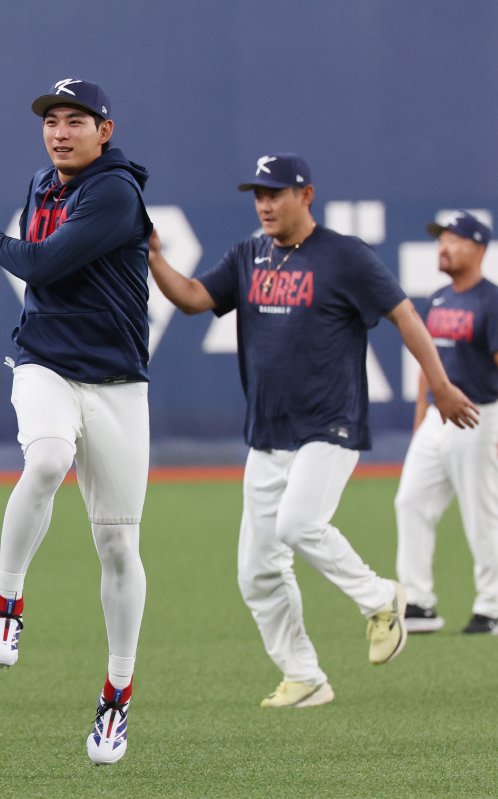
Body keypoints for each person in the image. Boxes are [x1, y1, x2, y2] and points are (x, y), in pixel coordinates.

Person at [148, 152, 477, 709]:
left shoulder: (345, 256)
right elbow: (194, 300)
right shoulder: (250, 254)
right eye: (258, 194)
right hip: (268, 432)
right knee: (256, 572)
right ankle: (304, 676)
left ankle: (381, 599)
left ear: (307, 195)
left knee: (300, 523)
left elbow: (404, 315)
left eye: (276, 193)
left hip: (330, 423)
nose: (265, 203)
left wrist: (440, 385)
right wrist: (154, 257)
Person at [0, 78, 151, 765]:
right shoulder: (44, 183)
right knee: (45, 459)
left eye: (75, 121)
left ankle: (115, 696)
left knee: (119, 548)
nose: (60, 132)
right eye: (51, 121)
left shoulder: (114, 192)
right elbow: (41, 281)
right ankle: (6, 606)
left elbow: (40, 263)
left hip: (118, 386)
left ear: (105, 130)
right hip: (45, 365)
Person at [395, 211, 498, 635]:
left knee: (482, 514)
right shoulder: (438, 299)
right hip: (438, 418)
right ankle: (417, 602)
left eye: (453, 239)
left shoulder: (490, 301)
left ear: (478, 248)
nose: (443, 247)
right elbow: (427, 363)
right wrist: (421, 419)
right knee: (410, 502)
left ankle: (491, 606)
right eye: (441, 239)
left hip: (480, 415)